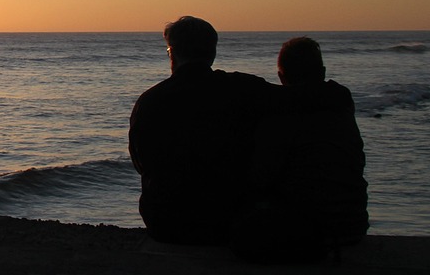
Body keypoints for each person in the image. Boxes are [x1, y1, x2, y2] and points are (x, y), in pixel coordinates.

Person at [128, 16, 283, 244]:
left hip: (168, 221)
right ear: (212, 52)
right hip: (231, 217)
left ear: (173, 53)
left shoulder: (151, 101)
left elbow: (141, 161)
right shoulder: (245, 89)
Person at [233, 37, 369, 262]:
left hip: (308, 228)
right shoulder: (341, 104)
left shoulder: (279, 118)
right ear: (323, 72)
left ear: (281, 76)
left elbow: (261, 177)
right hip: (353, 222)